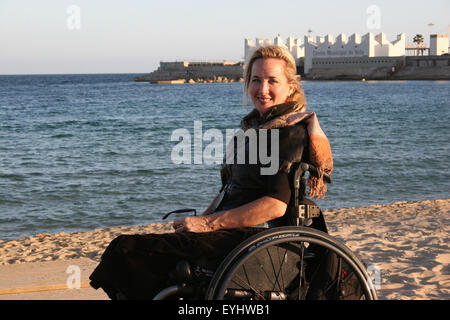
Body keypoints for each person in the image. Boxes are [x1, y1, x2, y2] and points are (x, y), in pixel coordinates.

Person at [89, 45, 333, 300]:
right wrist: (198, 223)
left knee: (126, 251)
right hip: (230, 233)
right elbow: (228, 191)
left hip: (254, 240)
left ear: (290, 86)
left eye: (273, 81)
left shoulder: (288, 132)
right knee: (133, 253)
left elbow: (275, 206)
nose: (262, 89)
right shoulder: (251, 132)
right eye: (256, 80)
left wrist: (206, 224)